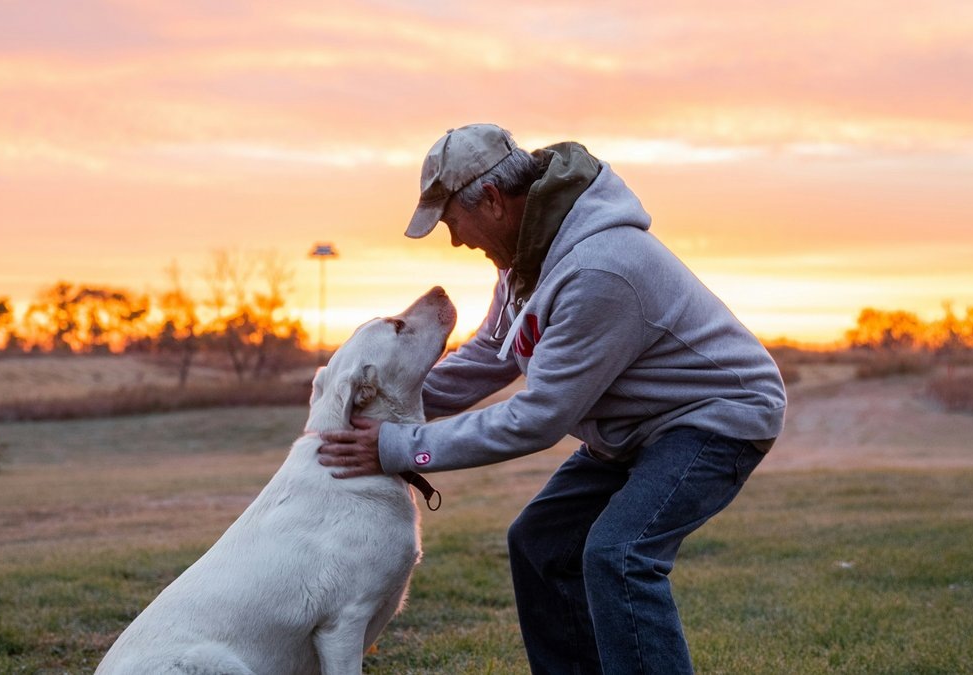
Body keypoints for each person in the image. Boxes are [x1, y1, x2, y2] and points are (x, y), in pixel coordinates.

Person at [319, 123, 786, 674]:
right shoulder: (525, 260)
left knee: (620, 555)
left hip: (715, 416)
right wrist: (380, 406)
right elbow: (493, 354)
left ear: (491, 200)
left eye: (451, 220)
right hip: (636, 428)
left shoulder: (599, 270)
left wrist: (400, 445)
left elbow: (537, 418)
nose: (456, 240)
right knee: (540, 542)